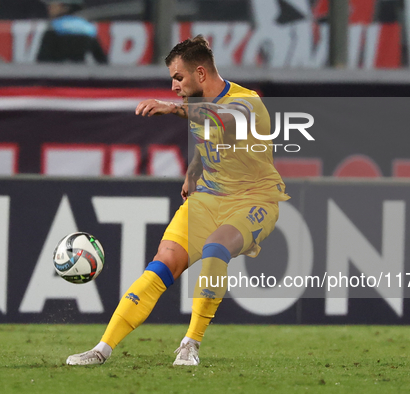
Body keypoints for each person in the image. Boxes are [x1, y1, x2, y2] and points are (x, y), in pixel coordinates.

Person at [66, 35, 289, 366]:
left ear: (201, 74)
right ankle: (102, 348)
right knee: (163, 262)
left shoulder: (248, 102)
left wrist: (172, 109)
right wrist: (193, 172)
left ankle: (190, 344)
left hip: (254, 200)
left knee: (216, 248)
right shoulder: (201, 104)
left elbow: (222, 121)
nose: (173, 86)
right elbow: (208, 137)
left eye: (178, 77)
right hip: (208, 197)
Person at [37, 0, 107, 64]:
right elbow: (102, 60)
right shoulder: (88, 29)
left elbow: (42, 59)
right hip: (79, 75)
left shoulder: (53, 28)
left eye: (53, 5)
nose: (49, 8)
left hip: (55, 75)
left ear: (66, 8)